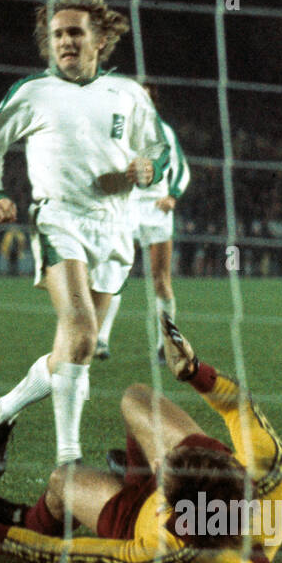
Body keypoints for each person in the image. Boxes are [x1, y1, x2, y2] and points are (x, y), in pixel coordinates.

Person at [0, 317, 282, 563]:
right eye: (167, 461)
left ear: (179, 512)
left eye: (164, 473)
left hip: (135, 519)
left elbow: (58, 554)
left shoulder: (165, 551)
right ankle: (138, 476)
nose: (159, 459)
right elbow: (237, 405)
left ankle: (28, 515)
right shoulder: (270, 472)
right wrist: (193, 371)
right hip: (198, 493)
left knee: (62, 481)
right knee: (136, 398)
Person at [0, 0, 169, 476]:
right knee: (82, 330)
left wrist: (148, 168)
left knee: (73, 349)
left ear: (99, 39)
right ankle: (69, 461)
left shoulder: (127, 93)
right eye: (58, 34)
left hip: (116, 227)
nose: (65, 41)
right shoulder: (32, 92)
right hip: (58, 219)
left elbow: (160, 151)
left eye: (75, 32)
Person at [95, 82, 191, 362]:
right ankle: (101, 338)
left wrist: (172, 195)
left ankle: (167, 343)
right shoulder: (120, 130)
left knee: (160, 279)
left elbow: (181, 169)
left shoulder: (166, 133)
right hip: (127, 206)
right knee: (116, 270)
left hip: (157, 208)